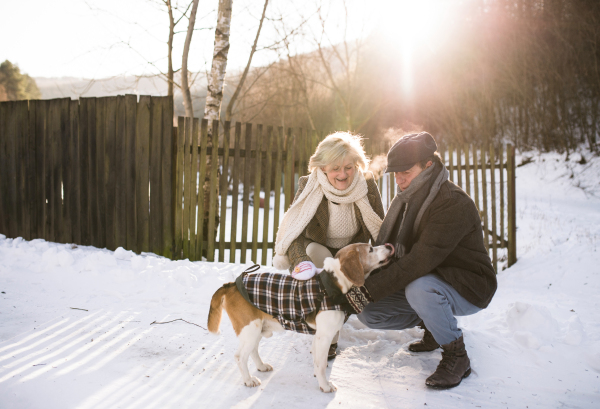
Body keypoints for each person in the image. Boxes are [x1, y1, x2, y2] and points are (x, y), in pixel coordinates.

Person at [342, 132, 497, 389]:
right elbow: (393, 254)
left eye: (406, 171)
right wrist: (358, 292)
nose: (400, 179)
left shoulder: (450, 203)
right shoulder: (407, 199)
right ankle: (433, 326)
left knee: (419, 287)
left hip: (468, 285)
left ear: (428, 165)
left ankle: (457, 355)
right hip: (432, 279)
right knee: (369, 311)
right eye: (396, 173)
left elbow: (418, 262)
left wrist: (367, 291)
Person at [273, 131, 385, 358]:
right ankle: (329, 339)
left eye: (349, 167)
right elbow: (295, 230)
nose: (342, 174)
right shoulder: (309, 184)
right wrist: (300, 262)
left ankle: (333, 315)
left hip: (352, 251)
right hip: (318, 249)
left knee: (343, 271)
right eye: (335, 168)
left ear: (357, 165)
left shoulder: (367, 184)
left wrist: (383, 260)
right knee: (324, 262)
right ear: (322, 168)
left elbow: (380, 227)